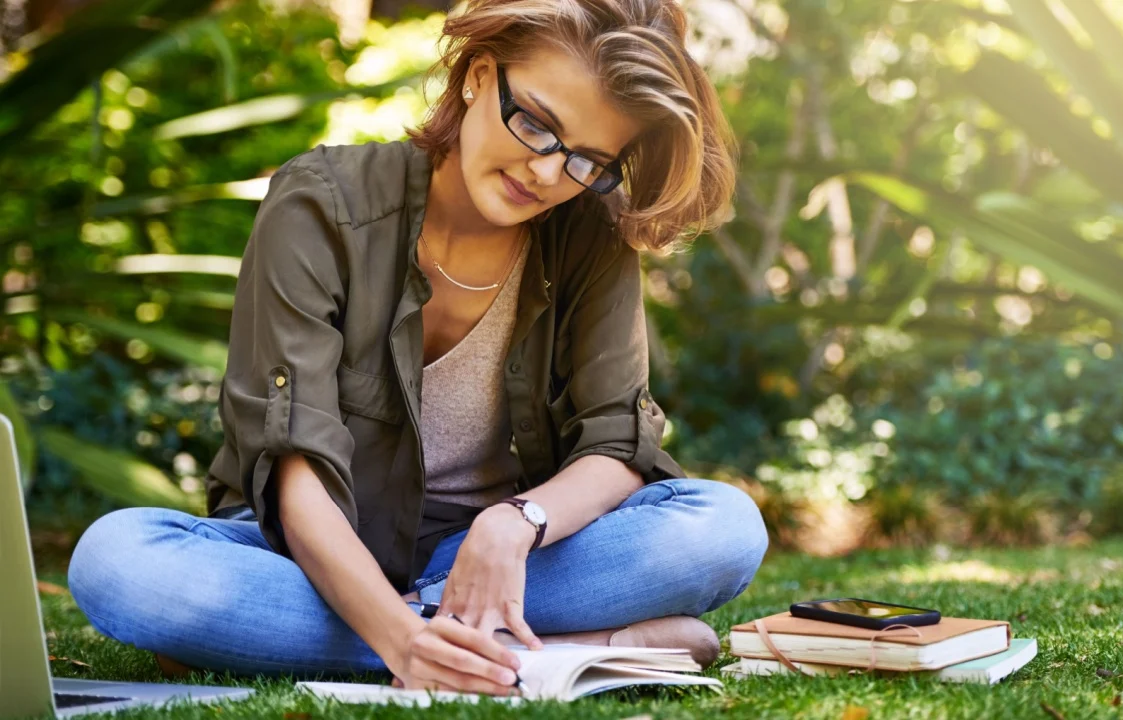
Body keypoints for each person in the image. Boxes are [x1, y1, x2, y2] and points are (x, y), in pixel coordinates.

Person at [68, 0, 767, 695]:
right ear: (478, 75)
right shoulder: (321, 203)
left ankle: (336, 639)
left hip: (504, 560)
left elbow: (617, 446)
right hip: (312, 553)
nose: (549, 175)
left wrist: (514, 524)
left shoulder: (590, 235)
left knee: (726, 528)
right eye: (537, 124)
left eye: (589, 160)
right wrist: (401, 643)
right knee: (120, 563)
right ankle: (535, 650)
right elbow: (292, 467)